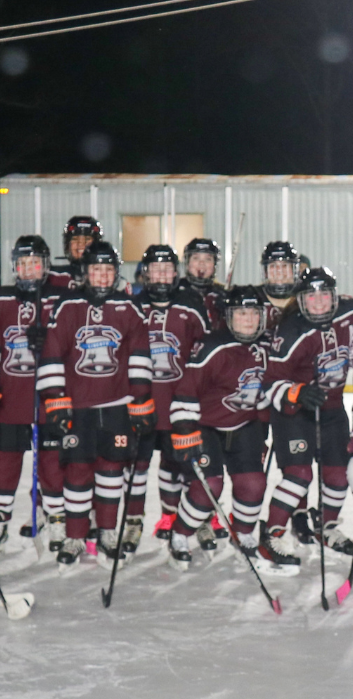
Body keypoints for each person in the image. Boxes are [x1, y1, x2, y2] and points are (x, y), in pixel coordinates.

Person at [36, 239, 153, 564]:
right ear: (85, 272)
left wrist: (141, 401)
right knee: (77, 470)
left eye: (108, 270)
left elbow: (139, 356)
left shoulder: (129, 307)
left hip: (116, 406)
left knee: (111, 470)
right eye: (96, 269)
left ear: (116, 273)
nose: (102, 276)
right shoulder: (68, 305)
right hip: (78, 407)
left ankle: (107, 532)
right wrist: (55, 400)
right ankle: (75, 536)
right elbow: (52, 354)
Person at [168, 285, 283, 567]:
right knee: (209, 486)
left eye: (254, 313)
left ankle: (243, 533)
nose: (249, 319)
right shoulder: (212, 346)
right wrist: (185, 430)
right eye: (241, 313)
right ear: (229, 317)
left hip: (245, 425)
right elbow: (186, 390)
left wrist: (265, 429)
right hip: (205, 426)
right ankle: (180, 533)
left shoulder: (268, 346)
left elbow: (272, 388)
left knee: (253, 484)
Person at [124, 245, 210, 552]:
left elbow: (206, 353)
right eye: (155, 269)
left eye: (168, 269)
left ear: (176, 273)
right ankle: (133, 521)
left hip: (179, 404)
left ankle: (176, 518)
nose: (162, 275)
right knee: (136, 465)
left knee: (177, 463)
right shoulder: (132, 306)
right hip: (141, 402)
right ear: (145, 273)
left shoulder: (191, 305)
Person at [262, 265, 353, 556]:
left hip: (333, 410)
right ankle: (272, 534)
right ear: (301, 300)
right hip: (294, 413)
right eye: (311, 297)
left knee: (338, 475)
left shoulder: (348, 316)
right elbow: (269, 382)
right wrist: (297, 392)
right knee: (299, 475)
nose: (319, 303)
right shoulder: (291, 331)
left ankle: (326, 527)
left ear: (334, 296)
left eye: (324, 295)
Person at [0, 233, 65, 546]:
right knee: (5, 462)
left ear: (46, 265)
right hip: (11, 396)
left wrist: (51, 338)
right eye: (23, 263)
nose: (29, 269)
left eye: (35, 263)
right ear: (14, 266)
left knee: (51, 462)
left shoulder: (60, 300)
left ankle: (55, 518)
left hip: (48, 399)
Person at [259, 240, 306, 342]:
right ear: (265, 271)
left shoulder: (306, 300)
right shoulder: (255, 299)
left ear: (294, 270)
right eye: (273, 266)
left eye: (285, 265)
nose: (279, 271)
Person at [178, 237, 226, 331]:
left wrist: (227, 311)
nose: (202, 263)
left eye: (208, 259)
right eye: (196, 258)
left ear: (214, 265)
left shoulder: (222, 294)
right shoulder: (174, 291)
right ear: (187, 263)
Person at [51, 214, 100, 292]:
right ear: (68, 244)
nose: (81, 244)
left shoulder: (106, 277)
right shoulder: (54, 278)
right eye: (75, 239)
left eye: (87, 239)